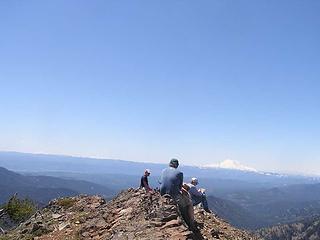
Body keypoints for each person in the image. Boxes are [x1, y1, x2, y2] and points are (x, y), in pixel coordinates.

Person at [160, 159, 195, 229]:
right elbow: (179, 187)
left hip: (162, 193)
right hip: (174, 195)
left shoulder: (163, 171)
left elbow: (162, 182)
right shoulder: (180, 173)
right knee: (186, 205)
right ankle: (190, 225)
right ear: (177, 165)